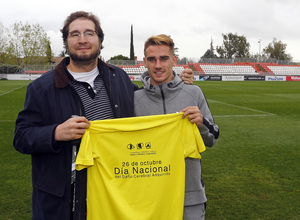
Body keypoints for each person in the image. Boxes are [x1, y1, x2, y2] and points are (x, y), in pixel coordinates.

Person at [13, 12, 194, 220]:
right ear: (66, 41)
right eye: (75, 34)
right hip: (63, 200)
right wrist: (55, 133)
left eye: (89, 33)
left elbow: (149, 101)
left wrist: (177, 84)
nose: (82, 40)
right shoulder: (41, 88)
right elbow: (21, 137)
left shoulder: (118, 78)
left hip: (114, 192)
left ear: (99, 40)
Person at [134, 34, 220, 220]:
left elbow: (213, 138)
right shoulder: (135, 99)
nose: (158, 65)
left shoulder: (193, 92)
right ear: (144, 62)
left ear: (174, 60)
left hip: (190, 196)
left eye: (164, 58)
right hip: (149, 198)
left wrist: (201, 123)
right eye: (152, 59)